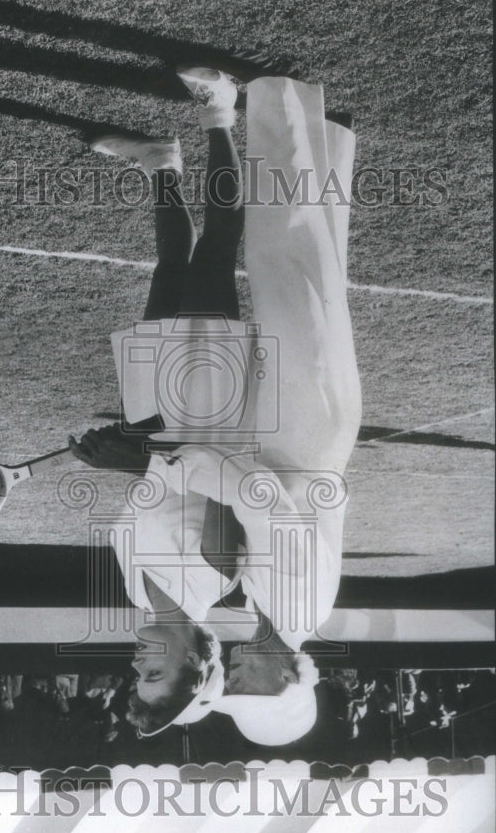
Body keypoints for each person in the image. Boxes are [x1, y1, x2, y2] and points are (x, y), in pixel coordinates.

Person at [69, 67, 361, 743]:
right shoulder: (272, 598)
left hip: (219, 429)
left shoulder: (240, 604)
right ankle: (224, 114)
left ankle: (162, 164)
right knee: (246, 257)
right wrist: (142, 460)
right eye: (252, 686)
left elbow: (178, 492)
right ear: (289, 681)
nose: (240, 675)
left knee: (191, 271)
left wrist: (137, 456)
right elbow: (254, 493)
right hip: (262, 425)